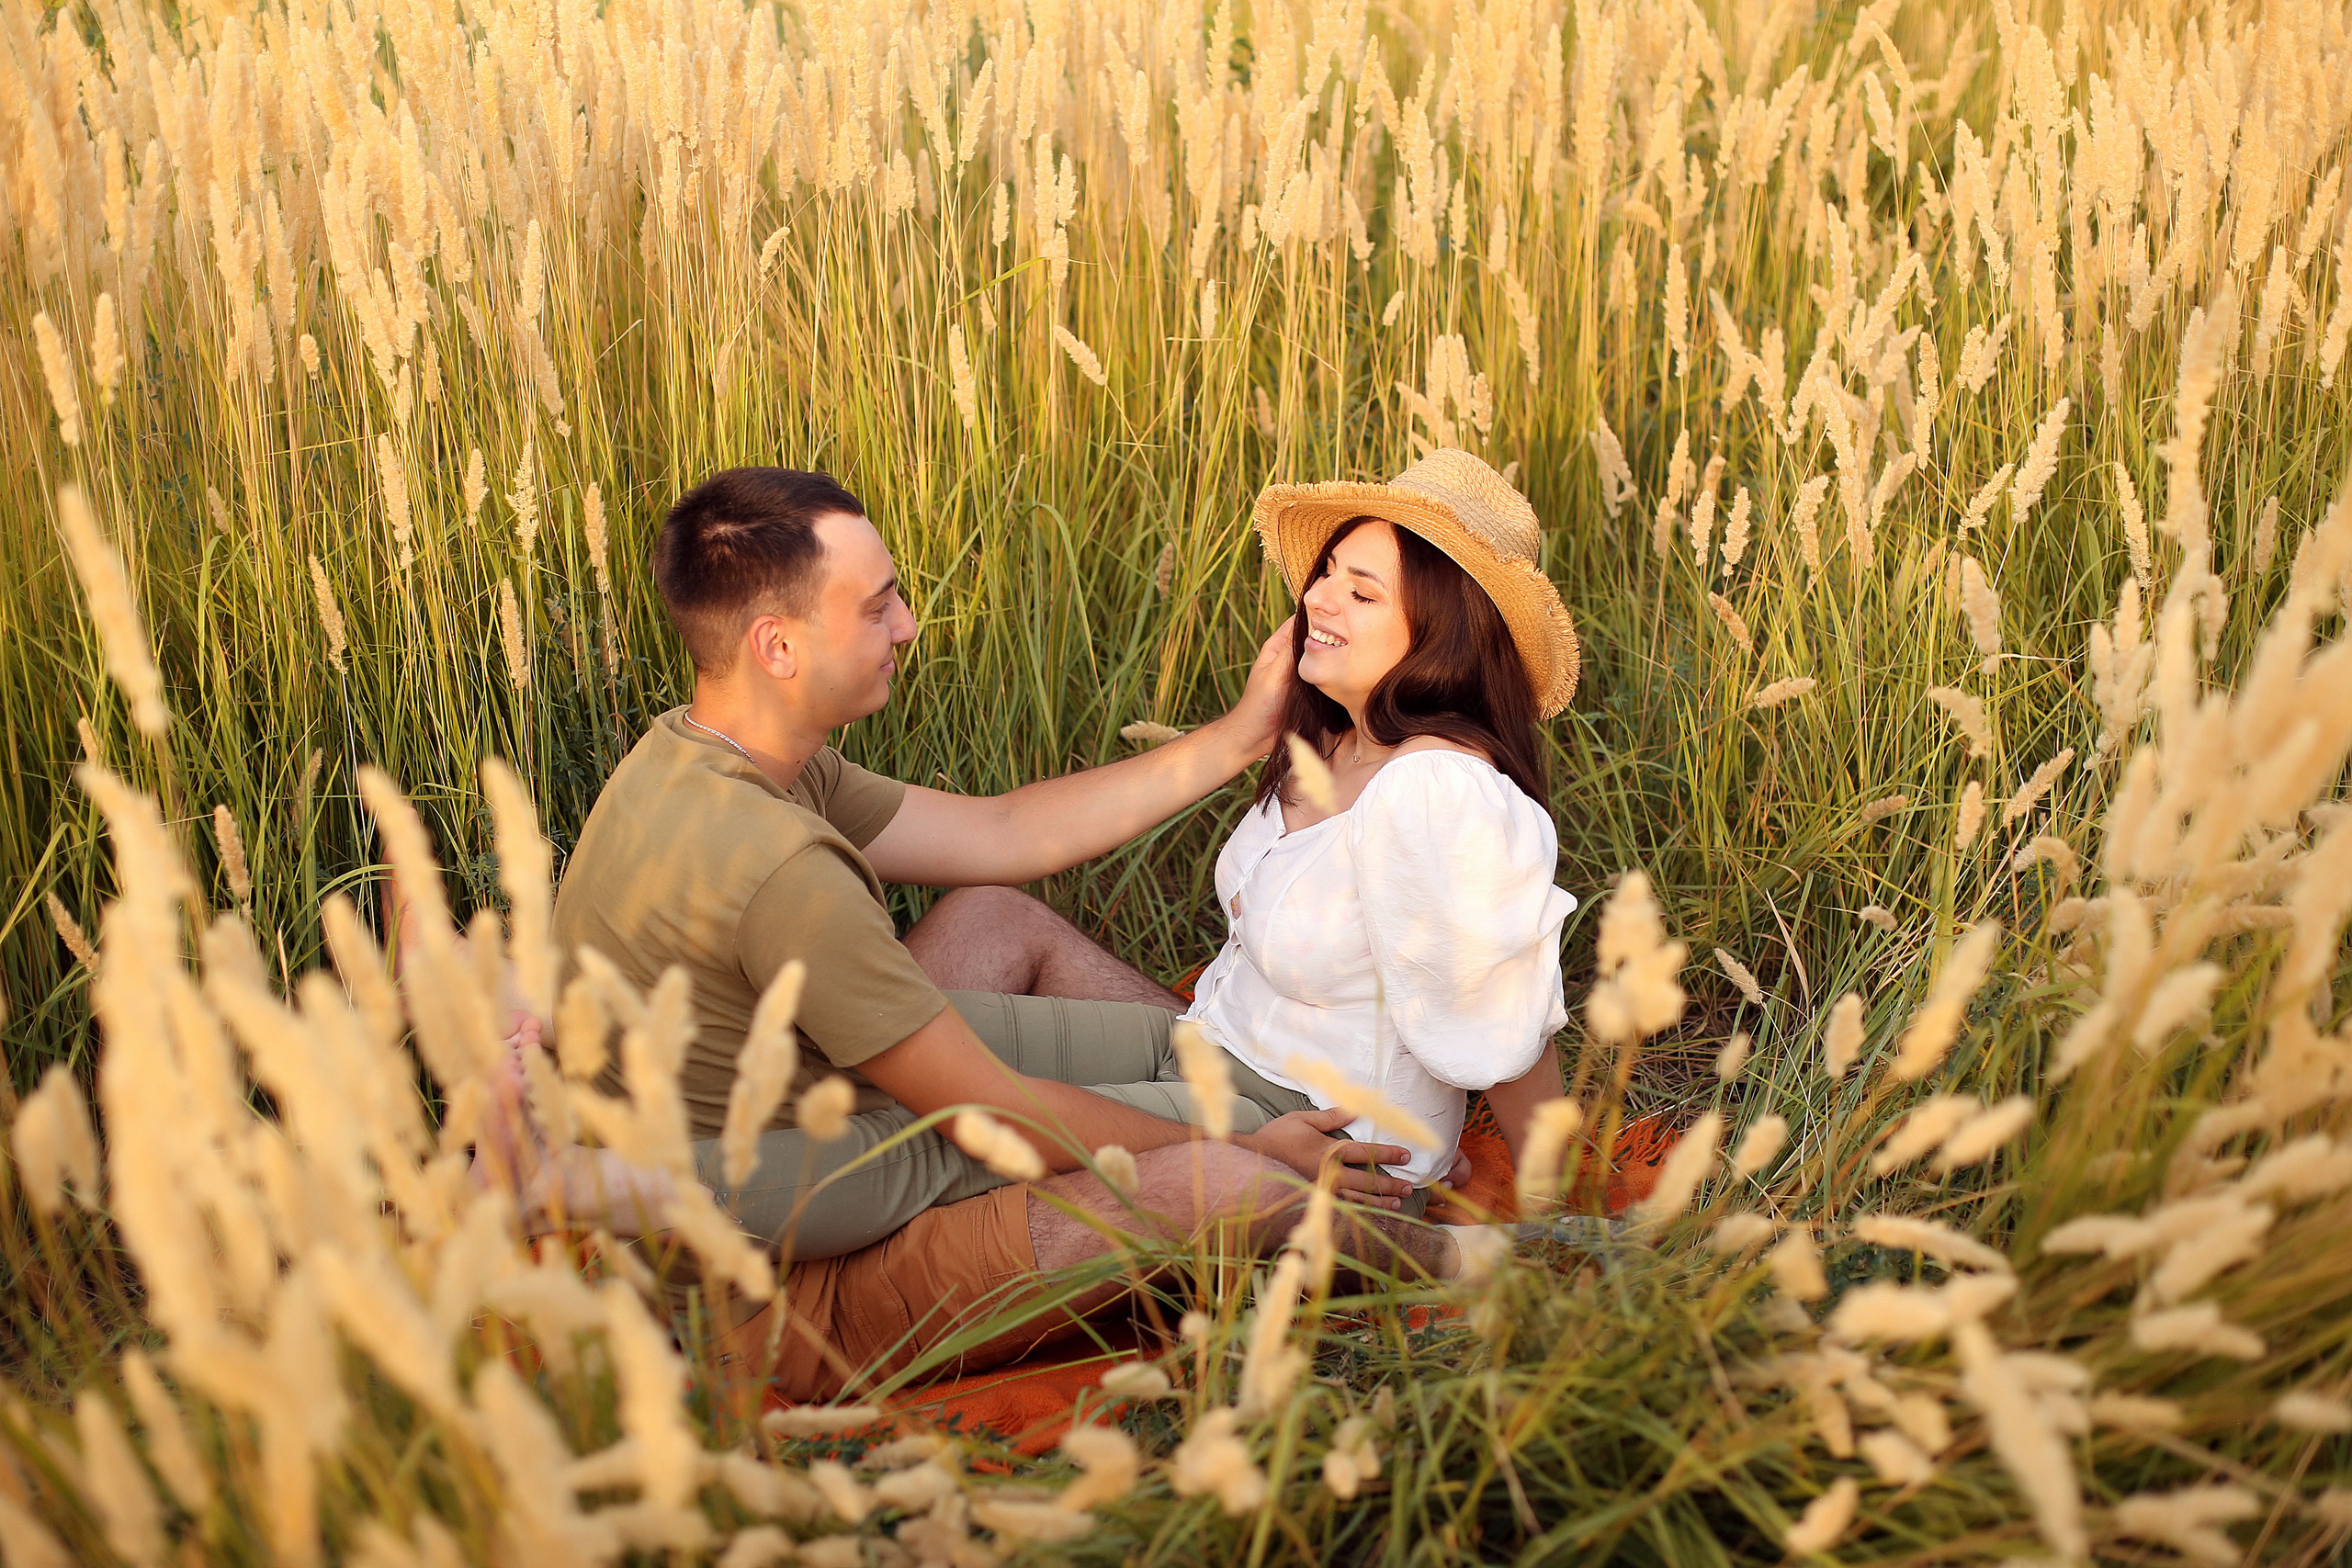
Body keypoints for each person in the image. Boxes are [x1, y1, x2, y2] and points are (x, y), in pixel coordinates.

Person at [1179, 447, 1584, 1206]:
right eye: (1328, 572)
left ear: (1439, 637)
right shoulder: (1335, 739)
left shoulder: (1435, 789)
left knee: (985, 1124)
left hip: (1317, 1135)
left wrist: (1553, 1202)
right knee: (992, 956)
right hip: (1211, 1047)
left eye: (1362, 593)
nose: (1318, 598)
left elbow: (1503, 1014)